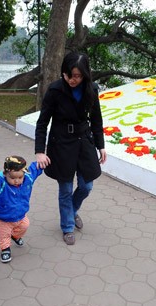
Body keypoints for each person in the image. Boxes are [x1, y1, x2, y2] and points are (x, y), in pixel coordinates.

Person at [35, 52, 107, 245]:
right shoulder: (55, 90)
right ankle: (67, 226)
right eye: (68, 75)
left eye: (76, 76)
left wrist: (101, 146)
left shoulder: (91, 89)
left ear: (84, 74)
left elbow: (97, 119)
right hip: (61, 144)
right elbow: (42, 122)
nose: (71, 80)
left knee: (87, 185)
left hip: (84, 142)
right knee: (65, 188)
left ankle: (71, 211)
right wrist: (40, 151)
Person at [0, 156, 42, 263]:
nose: (17, 181)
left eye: (20, 177)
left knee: (25, 225)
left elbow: (34, 170)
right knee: (4, 235)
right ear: (5, 174)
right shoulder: (0, 184)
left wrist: (41, 162)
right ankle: (5, 249)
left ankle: (15, 236)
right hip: (3, 218)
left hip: (21, 215)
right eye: (12, 178)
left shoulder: (27, 179)